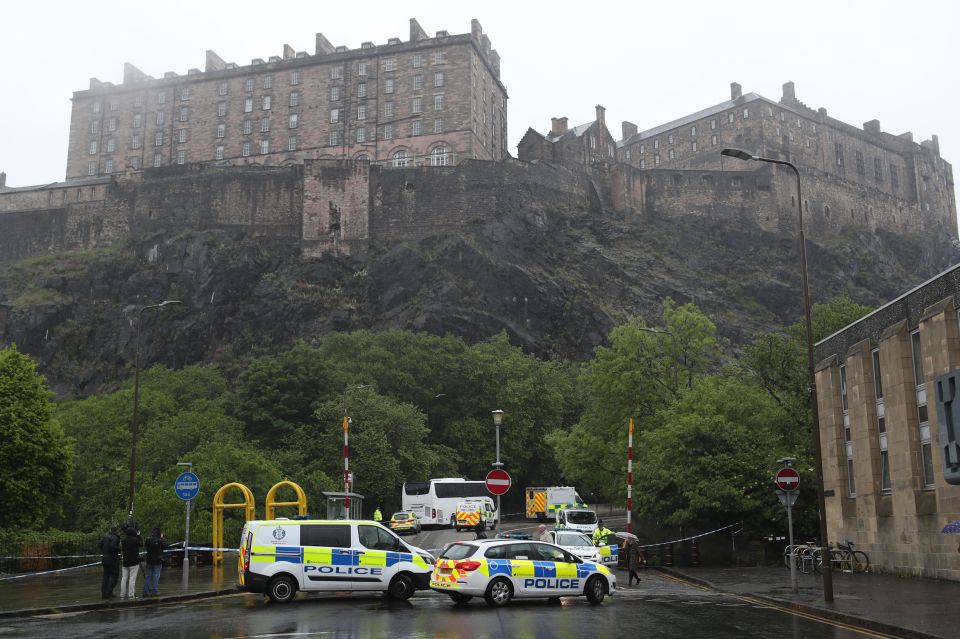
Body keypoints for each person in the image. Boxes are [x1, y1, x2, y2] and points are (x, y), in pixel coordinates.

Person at [142, 527, 169, 597]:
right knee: (156, 576)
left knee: (148, 576)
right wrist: (162, 538)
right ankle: (154, 591)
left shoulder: (148, 540)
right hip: (157, 561)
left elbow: (145, 545)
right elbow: (166, 546)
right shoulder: (160, 541)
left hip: (149, 560)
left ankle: (145, 591)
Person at [119, 523, 143, 600]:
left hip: (125, 562)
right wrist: (139, 535)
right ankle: (131, 594)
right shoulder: (135, 540)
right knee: (132, 579)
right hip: (134, 562)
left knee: (124, 578)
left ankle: (122, 594)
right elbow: (141, 544)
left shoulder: (123, 541)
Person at [99, 525, 120, 599]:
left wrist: (105, 550)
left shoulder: (105, 536)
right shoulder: (115, 537)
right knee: (114, 576)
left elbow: (99, 544)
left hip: (104, 558)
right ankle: (109, 593)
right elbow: (112, 546)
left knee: (106, 576)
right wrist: (119, 549)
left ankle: (104, 593)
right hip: (112, 559)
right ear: (116, 531)